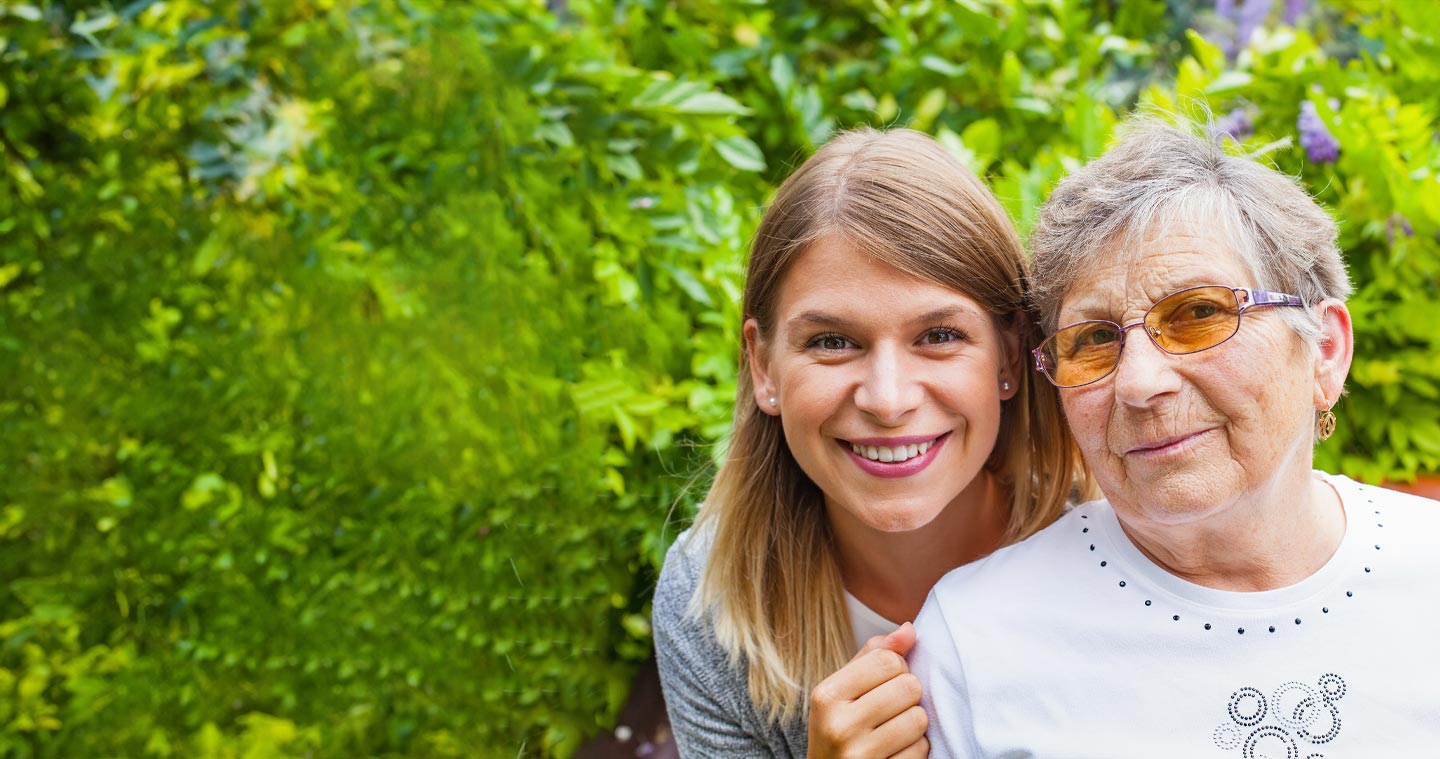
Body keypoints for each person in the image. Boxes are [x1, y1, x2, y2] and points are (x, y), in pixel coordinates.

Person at [910, 116, 1440, 758]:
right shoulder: (974, 645)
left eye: (1199, 314)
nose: (1139, 383)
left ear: (1324, 350)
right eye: (1094, 339)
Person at [652, 127, 1089, 758]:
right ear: (764, 366)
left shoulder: (1125, 553)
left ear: (1011, 354)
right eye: (832, 342)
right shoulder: (711, 601)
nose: (888, 400)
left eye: (938, 335)